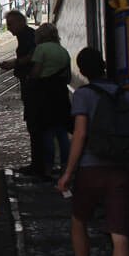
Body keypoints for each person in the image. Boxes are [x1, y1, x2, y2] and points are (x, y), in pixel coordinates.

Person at [56, 47, 129, 256]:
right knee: (120, 236)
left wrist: (68, 172)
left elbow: (79, 135)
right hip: (120, 171)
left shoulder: (83, 95)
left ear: (82, 71)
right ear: (104, 66)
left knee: (79, 221)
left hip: (91, 170)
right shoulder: (128, 98)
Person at [0, 10, 41, 176]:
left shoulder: (29, 36)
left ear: (21, 22)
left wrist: (14, 63)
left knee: (34, 124)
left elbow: (33, 56)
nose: (9, 29)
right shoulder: (25, 35)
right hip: (28, 85)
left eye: (10, 24)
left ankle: (38, 166)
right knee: (32, 124)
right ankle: (37, 164)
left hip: (32, 86)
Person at [27, 23, 72, 177]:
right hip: (61, 95)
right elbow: (68, 77)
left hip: (45, 96)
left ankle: (48, 168)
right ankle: (66, 167)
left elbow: (36, 72)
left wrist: (30, 78)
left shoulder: (41, 49)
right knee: (62, 132)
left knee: (47, 133)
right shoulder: (63, 51)